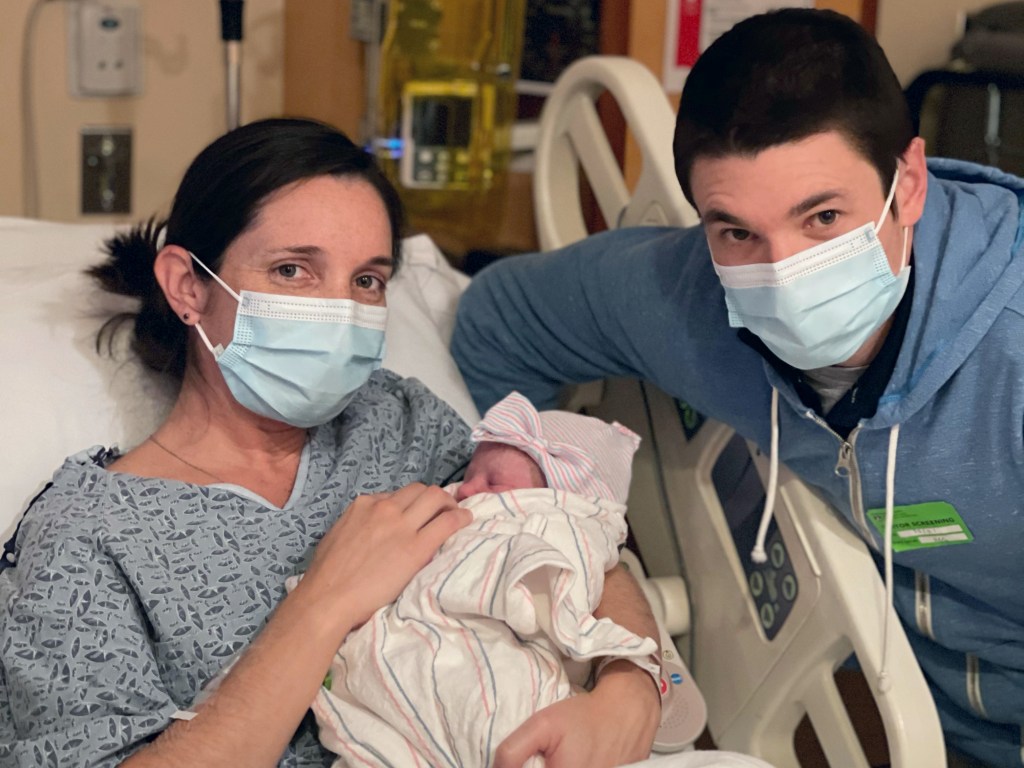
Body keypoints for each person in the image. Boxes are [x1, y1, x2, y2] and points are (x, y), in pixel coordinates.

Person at [451, 9, 1024, 768]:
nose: (782, 274)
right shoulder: (691, 296)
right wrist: (542, 501)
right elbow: (499, 322)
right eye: (738, 232)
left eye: (822, 217)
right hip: (928, 719)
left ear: (908, 182)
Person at [0, 117, 665, 768]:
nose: (340, 312)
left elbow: (571, 537)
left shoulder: (400, 420)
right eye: (293, 270)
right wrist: (323, 604)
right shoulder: (88, 534)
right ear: (188, 286)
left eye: (367, 281)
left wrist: (630, 687)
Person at [306, 391, 660, 768]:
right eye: (471, 476)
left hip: (509, 683)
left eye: (492, 482)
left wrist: (635, 682)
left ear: (559, 497)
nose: (466, 490)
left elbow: (588, 562)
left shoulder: (552, 524)